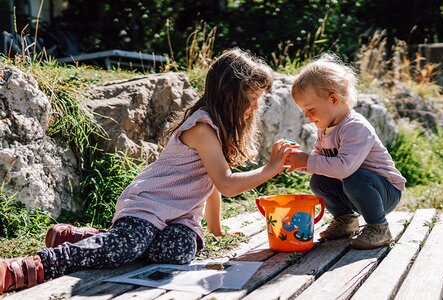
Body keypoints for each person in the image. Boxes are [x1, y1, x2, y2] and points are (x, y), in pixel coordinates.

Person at [0, 48, 291, 293]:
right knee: (128, 246)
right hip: (152, 203)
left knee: (175, 253)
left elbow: (212, 183)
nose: (254, 108)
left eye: (257, 101)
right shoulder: (203, 128)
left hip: (179, 215)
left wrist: (215, 229)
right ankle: (35, 264)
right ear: (229, 96)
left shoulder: (221, 131)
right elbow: (226, 184)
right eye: (249, 100)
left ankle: (91, 237)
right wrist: (271, 168)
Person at [285, 53, 406, 250]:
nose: (307, 116)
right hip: (355, 187)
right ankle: (347, 220)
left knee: (354, 178)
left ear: (333, 98)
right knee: (319, 181)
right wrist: (299, 163)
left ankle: (379, 227)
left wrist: (307, 161)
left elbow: (344, 168)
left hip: (385, 192)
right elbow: (320, 161)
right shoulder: (325, 128)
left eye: (310, 109)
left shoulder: (355, 127)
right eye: (303, 111)